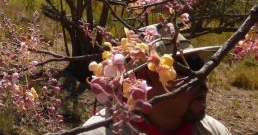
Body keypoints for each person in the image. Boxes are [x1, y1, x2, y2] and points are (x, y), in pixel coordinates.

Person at [80, 27, 232, 135]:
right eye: (188, 69)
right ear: (145, 76)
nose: (201, 79)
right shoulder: (98, 131)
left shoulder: (214, 131)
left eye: (201, 67)